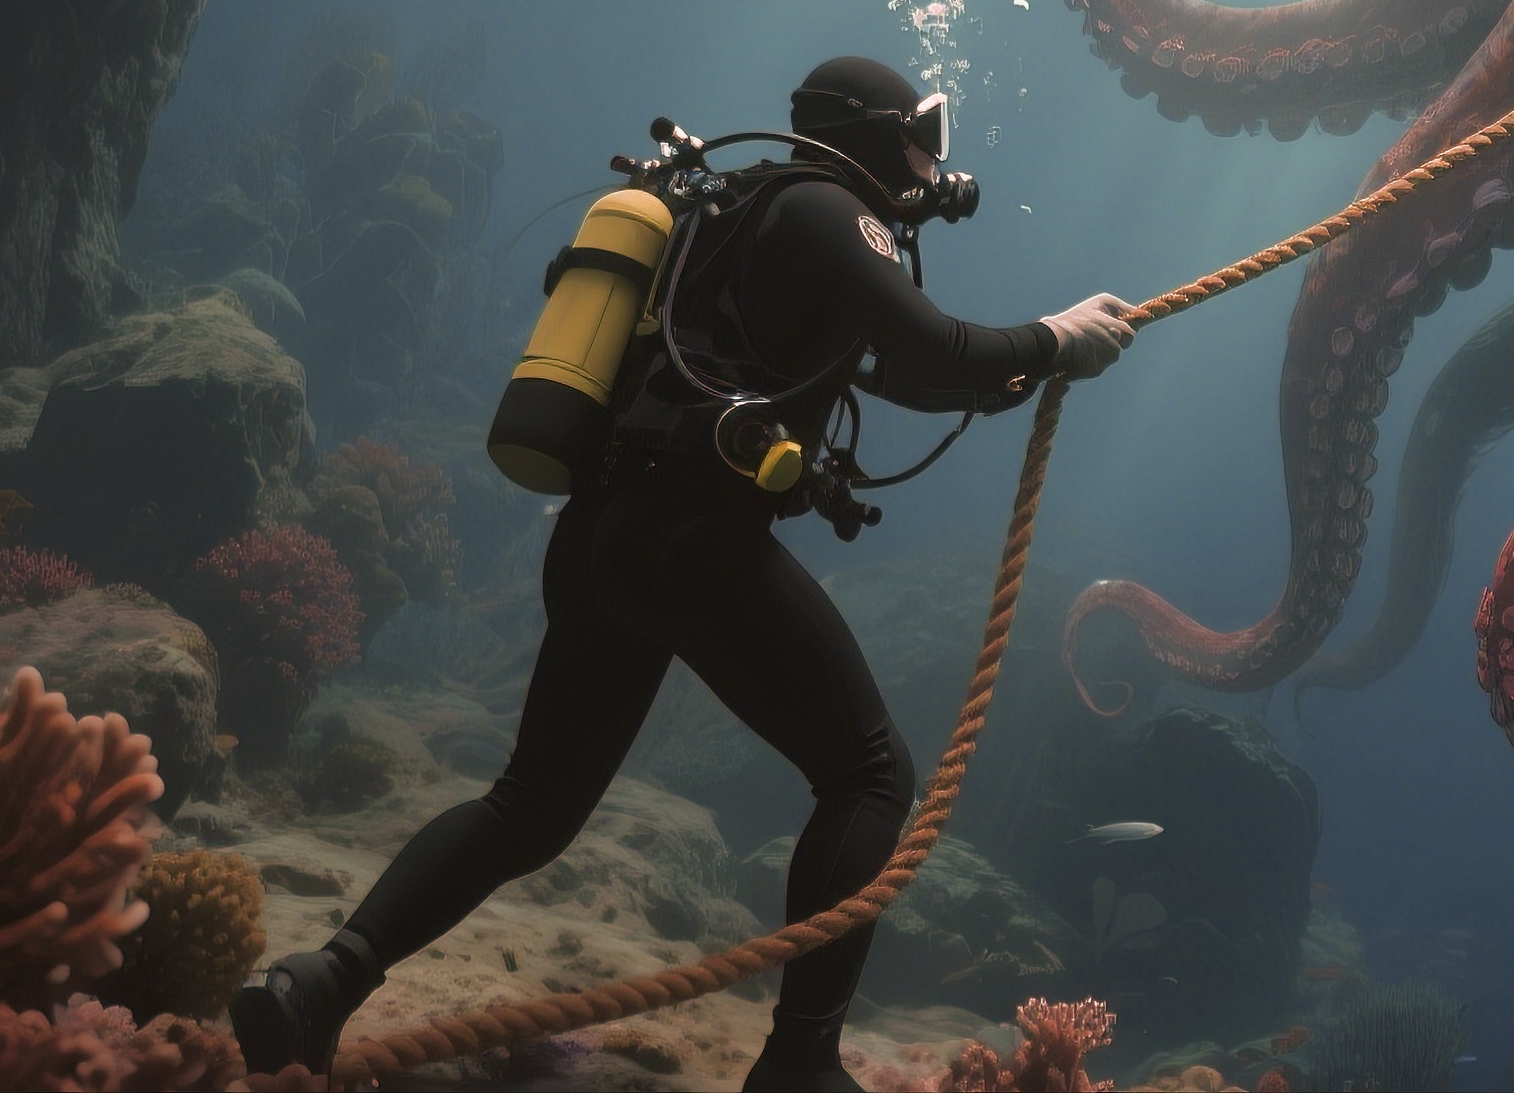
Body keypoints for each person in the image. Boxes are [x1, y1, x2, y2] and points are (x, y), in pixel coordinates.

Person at [233, 55, 1139, 1091]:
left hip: (604, 534)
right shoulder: (828, 207)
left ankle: (319, 985)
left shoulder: (740, 211)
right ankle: (800, 1064)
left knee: (530, 801)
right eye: (925, 131)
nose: (937, 159)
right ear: (874, 134)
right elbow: (932, 341)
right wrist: (1049, 336)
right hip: (696, 541)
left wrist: (1038, 356)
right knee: (868, 775)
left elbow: (910, 372)